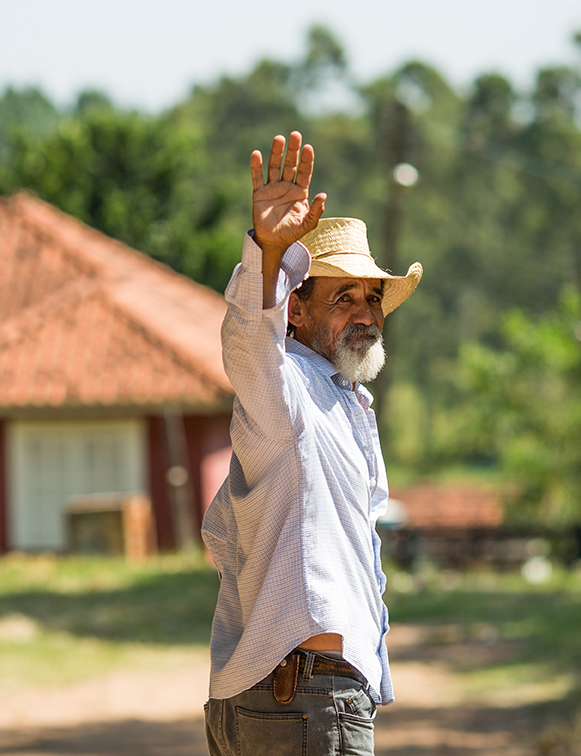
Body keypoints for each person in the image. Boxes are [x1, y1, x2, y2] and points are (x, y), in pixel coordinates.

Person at [202, 131, 423, 756]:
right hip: (302, 700)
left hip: (282, 698)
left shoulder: (342, 401)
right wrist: (268, 256)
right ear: (295, 311)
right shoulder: (289, 384)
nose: (368, 315)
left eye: (373, 298)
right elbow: (252, 342)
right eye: (344, 297)